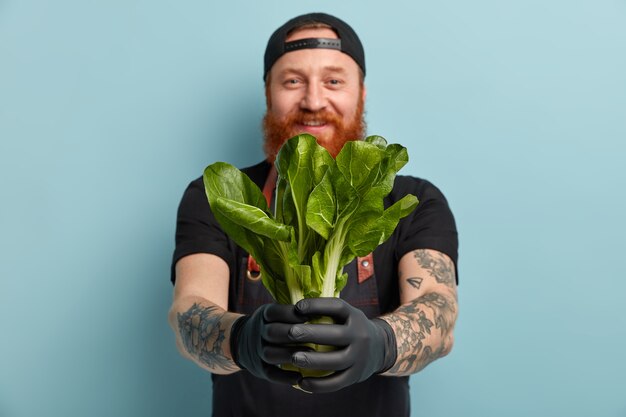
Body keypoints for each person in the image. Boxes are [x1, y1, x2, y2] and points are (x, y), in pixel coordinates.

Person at [168, 12, 459, 417]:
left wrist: (381, 344)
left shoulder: (414, 199)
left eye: (334, 80)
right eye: (292, 81)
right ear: (268, 92)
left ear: (362, 92)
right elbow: (189, 311)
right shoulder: (218, 197)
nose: (313, 101)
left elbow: (438, 313)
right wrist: (241, 340)